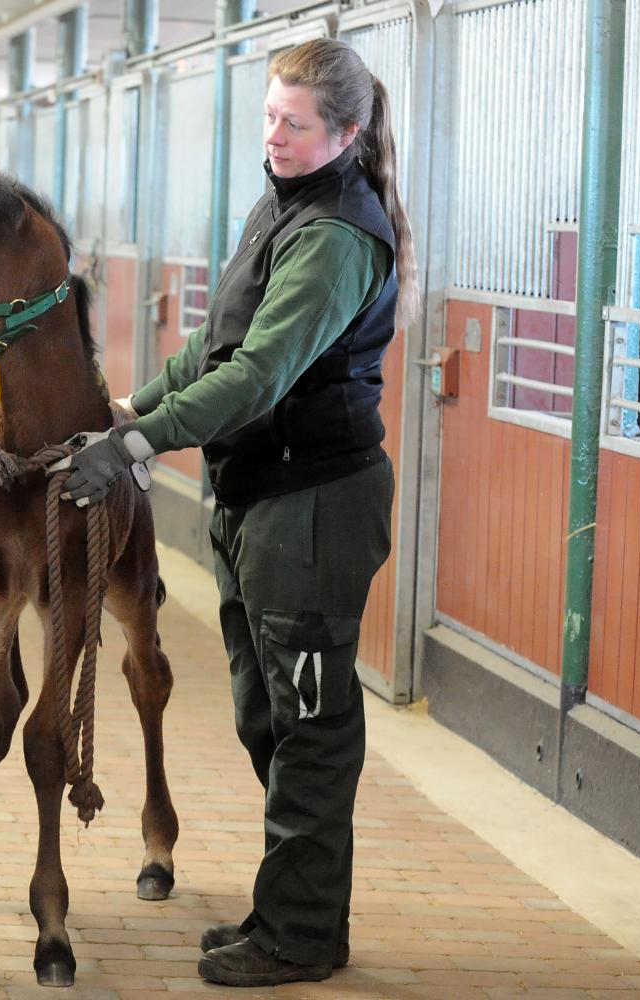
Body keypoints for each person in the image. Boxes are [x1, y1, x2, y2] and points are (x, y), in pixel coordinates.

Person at [51, 38, 418, 989]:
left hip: (313, 509)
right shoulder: (283, 201)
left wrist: (135, 447)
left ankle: (300, 934)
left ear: (345, 133)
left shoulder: (337, 232)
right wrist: (128, 406)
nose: (276, 136)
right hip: (258, 501)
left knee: (306, 727)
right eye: (269, 116)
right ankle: (292, 908)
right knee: (267, 718)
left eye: (296, 125)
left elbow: (258, 377)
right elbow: (221, 344)